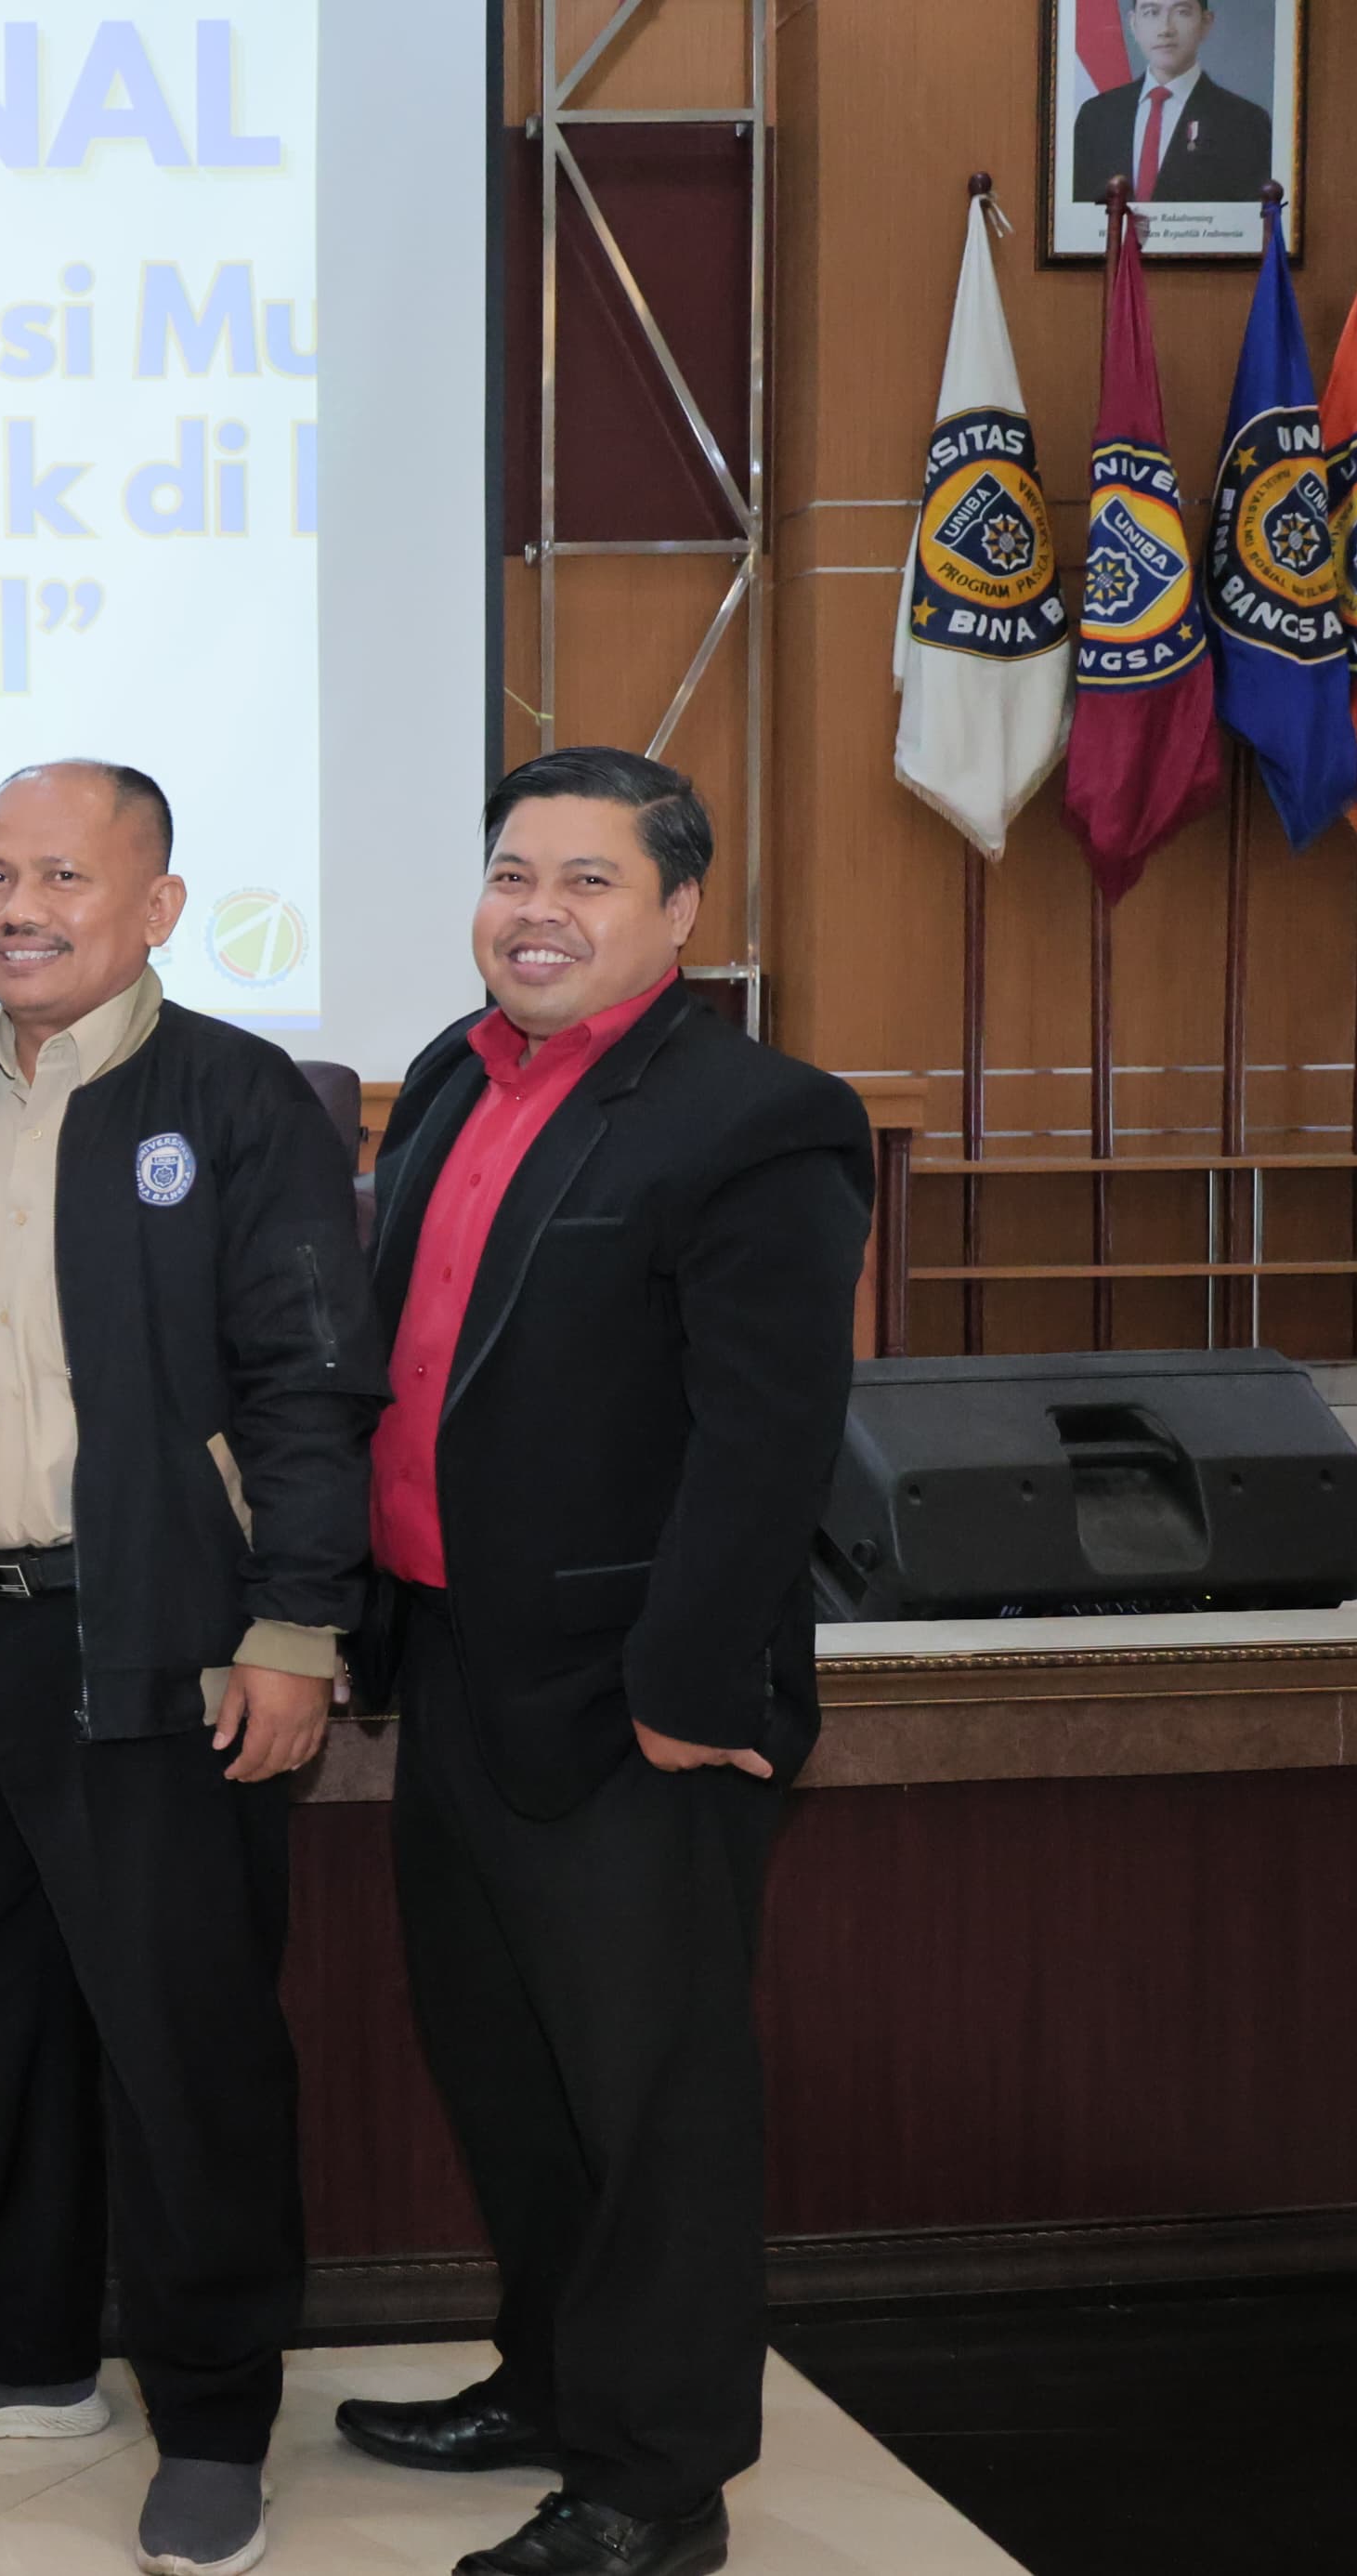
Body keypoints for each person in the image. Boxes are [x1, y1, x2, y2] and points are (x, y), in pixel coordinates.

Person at [0, 761, 379, 2576]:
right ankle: (23, 2351)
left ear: (157, 904)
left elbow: (312, 1383)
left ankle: (214, 2414)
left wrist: (294, 1624)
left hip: (162, 1644)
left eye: (59, 874)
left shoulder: (239, 1099)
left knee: (186, 2044)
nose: (17, 908)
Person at [334, 750, 868, 2576]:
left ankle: (654, 2481)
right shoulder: (447, 1074)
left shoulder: (759, 1117)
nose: (535, 911)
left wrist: (690, 1690)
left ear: (678, 912)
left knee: (653, 2107)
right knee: (508, 2071)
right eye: (512, 872)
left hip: (638, 1697)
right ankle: (553, 2384)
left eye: (586, 880)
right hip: (456, 1661)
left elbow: (766, 1438)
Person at [1067, 0, 1272, 206]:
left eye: (1182, 12)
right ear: (1133, 24)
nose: (1165, 29)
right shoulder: (1095, 116)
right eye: (1151, 12)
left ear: (1206, 23)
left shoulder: (1247, 123)